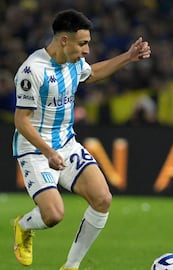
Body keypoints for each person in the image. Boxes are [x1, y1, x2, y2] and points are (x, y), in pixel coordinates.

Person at [12, 9, 151, 270]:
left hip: (66, 144)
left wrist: (129, 57)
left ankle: (71, 266)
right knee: (53, 215)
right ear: (64, 40)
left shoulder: (73, 63)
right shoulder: (32, 70)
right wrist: (48, 152)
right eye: (83, 43)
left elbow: (92, 73)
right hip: (35, 150)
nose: (87, 50)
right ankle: (22, 226)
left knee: (103, 199)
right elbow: (21, 121)